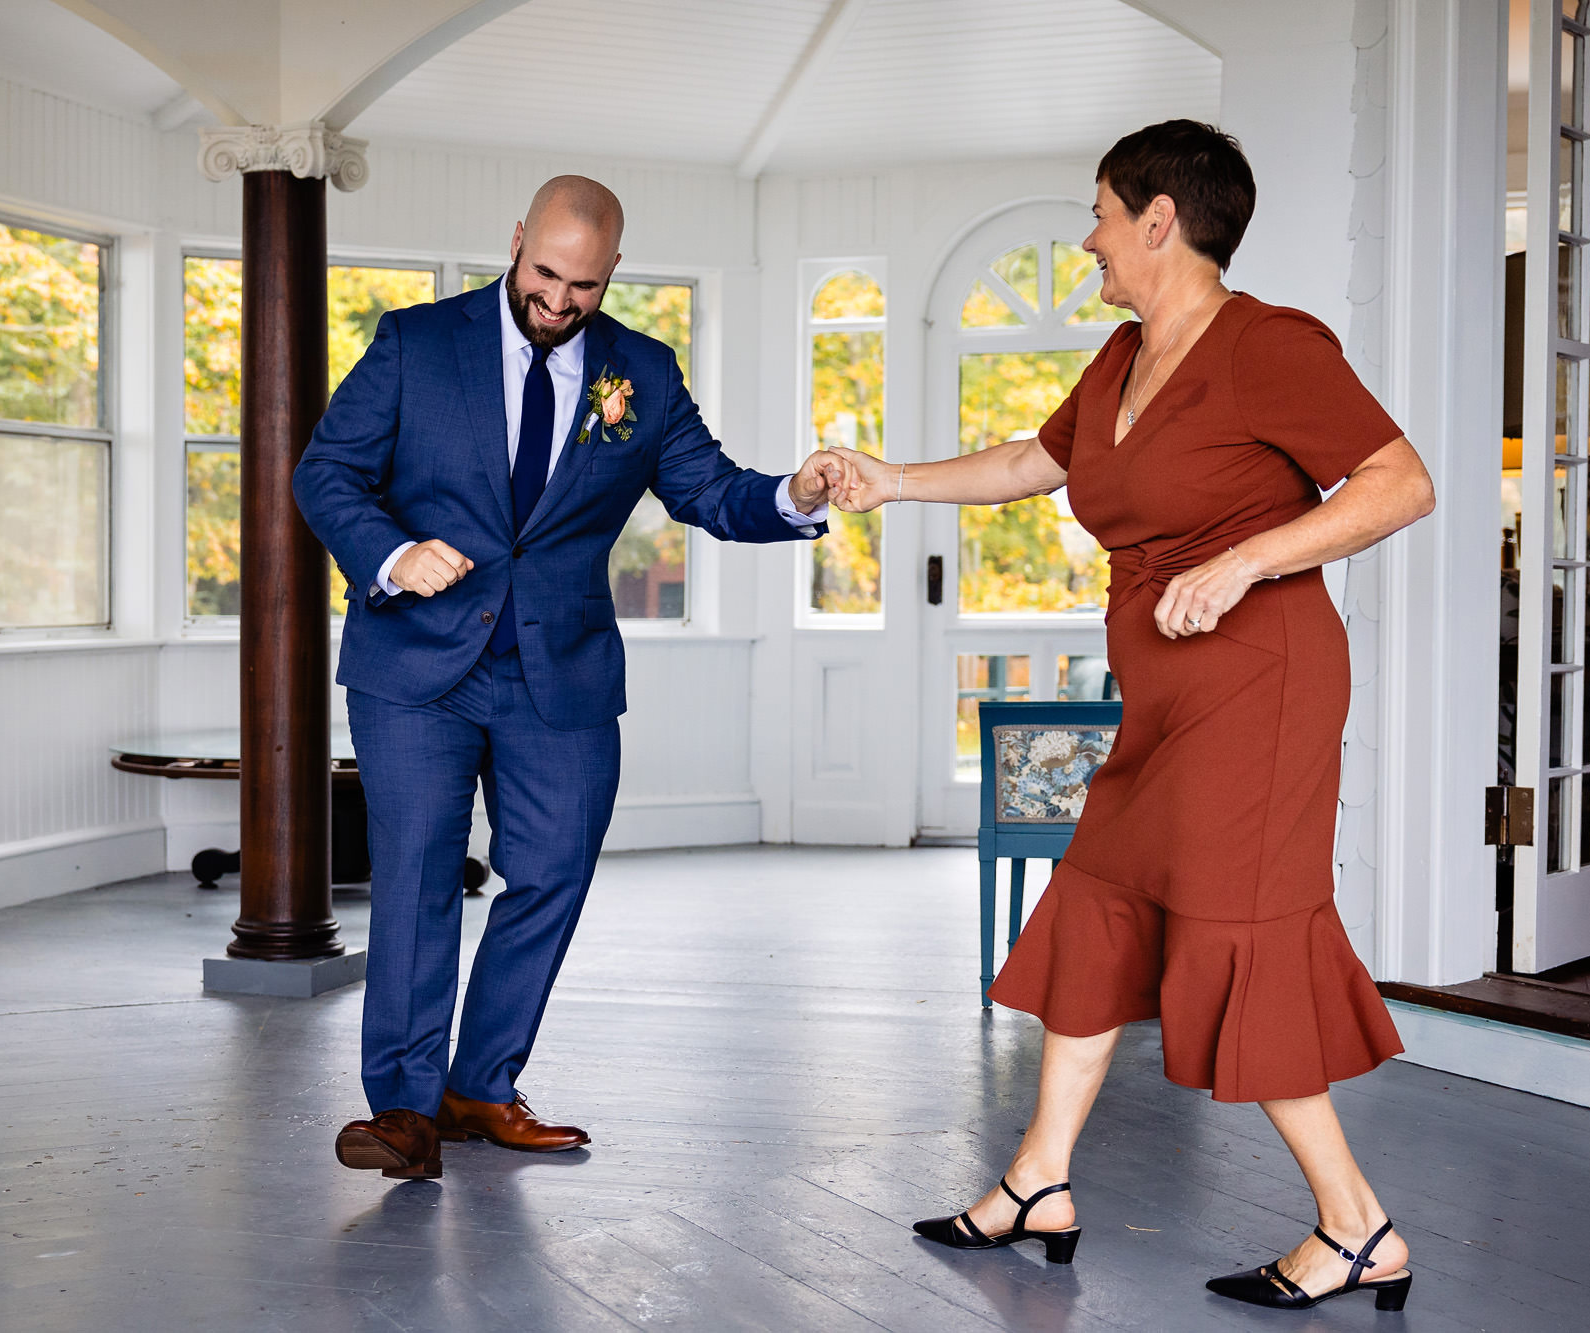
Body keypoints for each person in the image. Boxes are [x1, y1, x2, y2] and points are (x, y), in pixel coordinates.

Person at [826, 120, 1435, 1313]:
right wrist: (889, 481)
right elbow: (1027, 466)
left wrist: (1248, 560)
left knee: (1231, 935)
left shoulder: (1267, 345)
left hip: (1257, 683)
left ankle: (1356, 1224)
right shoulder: (1118, 358)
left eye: (1100, 211)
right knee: (1097, 907)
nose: (1088, 234)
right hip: (1163, 691)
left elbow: (1398, 482)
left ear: (1160, 219)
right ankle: (1038, 1180)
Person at [293, 176, 846, 1182]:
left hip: (561, 669)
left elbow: (707, 490)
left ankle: (479, 1085)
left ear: (611, 274)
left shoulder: (640, 370)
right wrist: (390, 552)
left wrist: (792, 495)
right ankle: (406, 1111)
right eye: (543, 275)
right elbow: (326, 473)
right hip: (417, 661)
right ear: (514, 243)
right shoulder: (415, 343)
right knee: (418, 878)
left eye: (581, 287)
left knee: (552, 872)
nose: (556, 302)